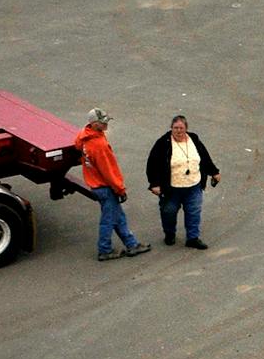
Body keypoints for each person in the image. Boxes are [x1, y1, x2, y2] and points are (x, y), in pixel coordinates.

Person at [75, 109, 148, 263]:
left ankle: (131, 244)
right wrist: (120, 189)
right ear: (95, 124)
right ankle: (104, 249)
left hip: (96, 185)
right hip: (105, 187)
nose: (106, 123)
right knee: (108, 220)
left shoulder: (84, 137)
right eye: (103, 122)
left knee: (118, 216)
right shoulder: (99, 145)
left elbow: (77, 145)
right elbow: (108, 171)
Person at [145, 114, 221, 249]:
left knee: (194, 211)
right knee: (169, 212)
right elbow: (152, 164)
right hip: (172, 188)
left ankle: (193, 238)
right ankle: (169, 234)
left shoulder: (194, 139)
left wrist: (214, 172)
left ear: (186, 128)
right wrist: (154, 184)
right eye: (175, 128)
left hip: (193, 185)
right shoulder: (163, 143)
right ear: (171, 128)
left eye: (181, 128)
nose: (178, 131)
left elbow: (204, 157)